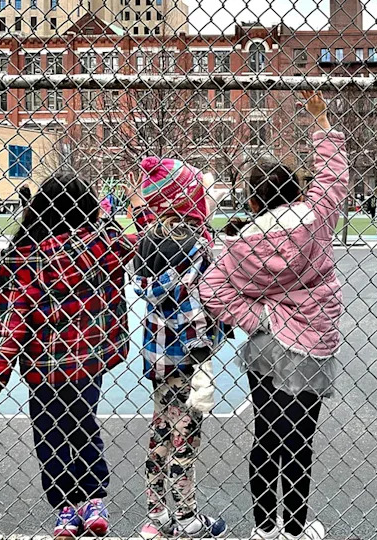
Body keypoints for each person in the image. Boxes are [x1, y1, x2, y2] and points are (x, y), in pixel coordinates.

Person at [199, 91, 345, 540]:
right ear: (296, 192)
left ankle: (265, 528)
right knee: (300, 441)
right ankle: (296, 529)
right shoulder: (316, 219)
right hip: (313, 342)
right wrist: (320, 123)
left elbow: (211, 288)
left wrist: (257, 318)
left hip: (265, 345)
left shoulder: (241, 244)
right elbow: (333, 178)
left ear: (256, 202)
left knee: (266, 435)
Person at [0, 171, 153, 538]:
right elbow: (146, 244)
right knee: (84, 425)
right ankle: (92, 499)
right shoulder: (102, 244)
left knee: (49, 435)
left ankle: (65, 506)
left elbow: (11, 316)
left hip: (44, 367)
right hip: (88, 359)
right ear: (87, 208)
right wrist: (139, 209)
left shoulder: (22, 255)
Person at [133, 157, 227, 539]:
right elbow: (193, 308)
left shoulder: (148, 243)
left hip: (158, 356)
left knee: (159, 435)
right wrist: (204, 359)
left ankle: (156, 517)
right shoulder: (195, 249)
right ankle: (187, 517)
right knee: (184, 439)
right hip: (188, 360)